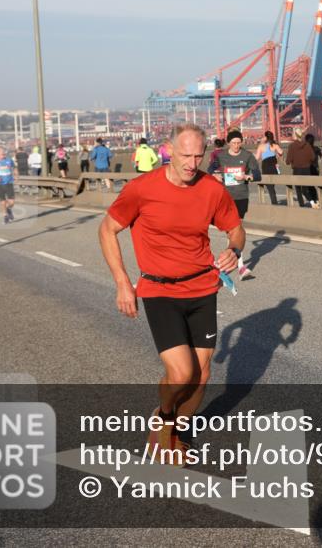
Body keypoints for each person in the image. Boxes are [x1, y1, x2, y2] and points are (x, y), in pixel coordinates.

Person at [98, 123, 244, 463]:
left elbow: (236, 229)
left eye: (198, 155)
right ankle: (163, 419)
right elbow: (107, 229)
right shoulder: (141, 189)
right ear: (168, 150)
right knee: (181, 373)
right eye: (185, 155)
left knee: (203, 373)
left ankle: (178, 430)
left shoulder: (211, 188)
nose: (192, 163)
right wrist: (122, 282)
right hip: (160, 289)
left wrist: (234, 250)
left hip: (203, 286)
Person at [211, 129, 260, 279]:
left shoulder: (247, 156)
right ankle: (237, 264)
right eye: (233, 143)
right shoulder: (221, 156)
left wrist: (246, 176)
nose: (236, 146)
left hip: (241, 197)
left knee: (236, 229)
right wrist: (215, 175)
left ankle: (234, 264)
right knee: (231, 230)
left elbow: (258, 174)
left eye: (239, 143)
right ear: (228, 143)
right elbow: (210, 169)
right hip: (225, 197)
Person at [286, 127, 318, 208]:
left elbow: (288, 161)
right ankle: (312, 202)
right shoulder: (307, 145)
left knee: (298, 189)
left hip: (297, 170)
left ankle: (302, 205)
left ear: (295, 135)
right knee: (305, 188)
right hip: (307, 170)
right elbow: (313, 158)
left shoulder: (292, 146)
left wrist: (289, 161)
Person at [0, 146, 17, 224]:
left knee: (12, 202)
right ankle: (5, 216)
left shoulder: (9, 160)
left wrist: (16, 175)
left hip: (9, 183)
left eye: (4, 154)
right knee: (3, 201)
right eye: (2, 154)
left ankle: (8, 209)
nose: (4, 155)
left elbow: (14, 168)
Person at [254, 131, 282, 205]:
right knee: (271, 185)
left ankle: (274, 203)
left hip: (266, 167)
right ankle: (274, 202)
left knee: (270, 187)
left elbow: (256, 158)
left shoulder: (261, 146)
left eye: (263, 136)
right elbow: (281, 152)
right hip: (274, 167)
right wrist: (277, 155)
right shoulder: (274, 145)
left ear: (266, 137)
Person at [305, 133, 322, 206]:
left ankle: (313, 200)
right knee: (314, 186)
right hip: (316, 169)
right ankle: (317, 200)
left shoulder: (305, 149)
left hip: (308, 169)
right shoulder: (316, 148)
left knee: (309, 186)